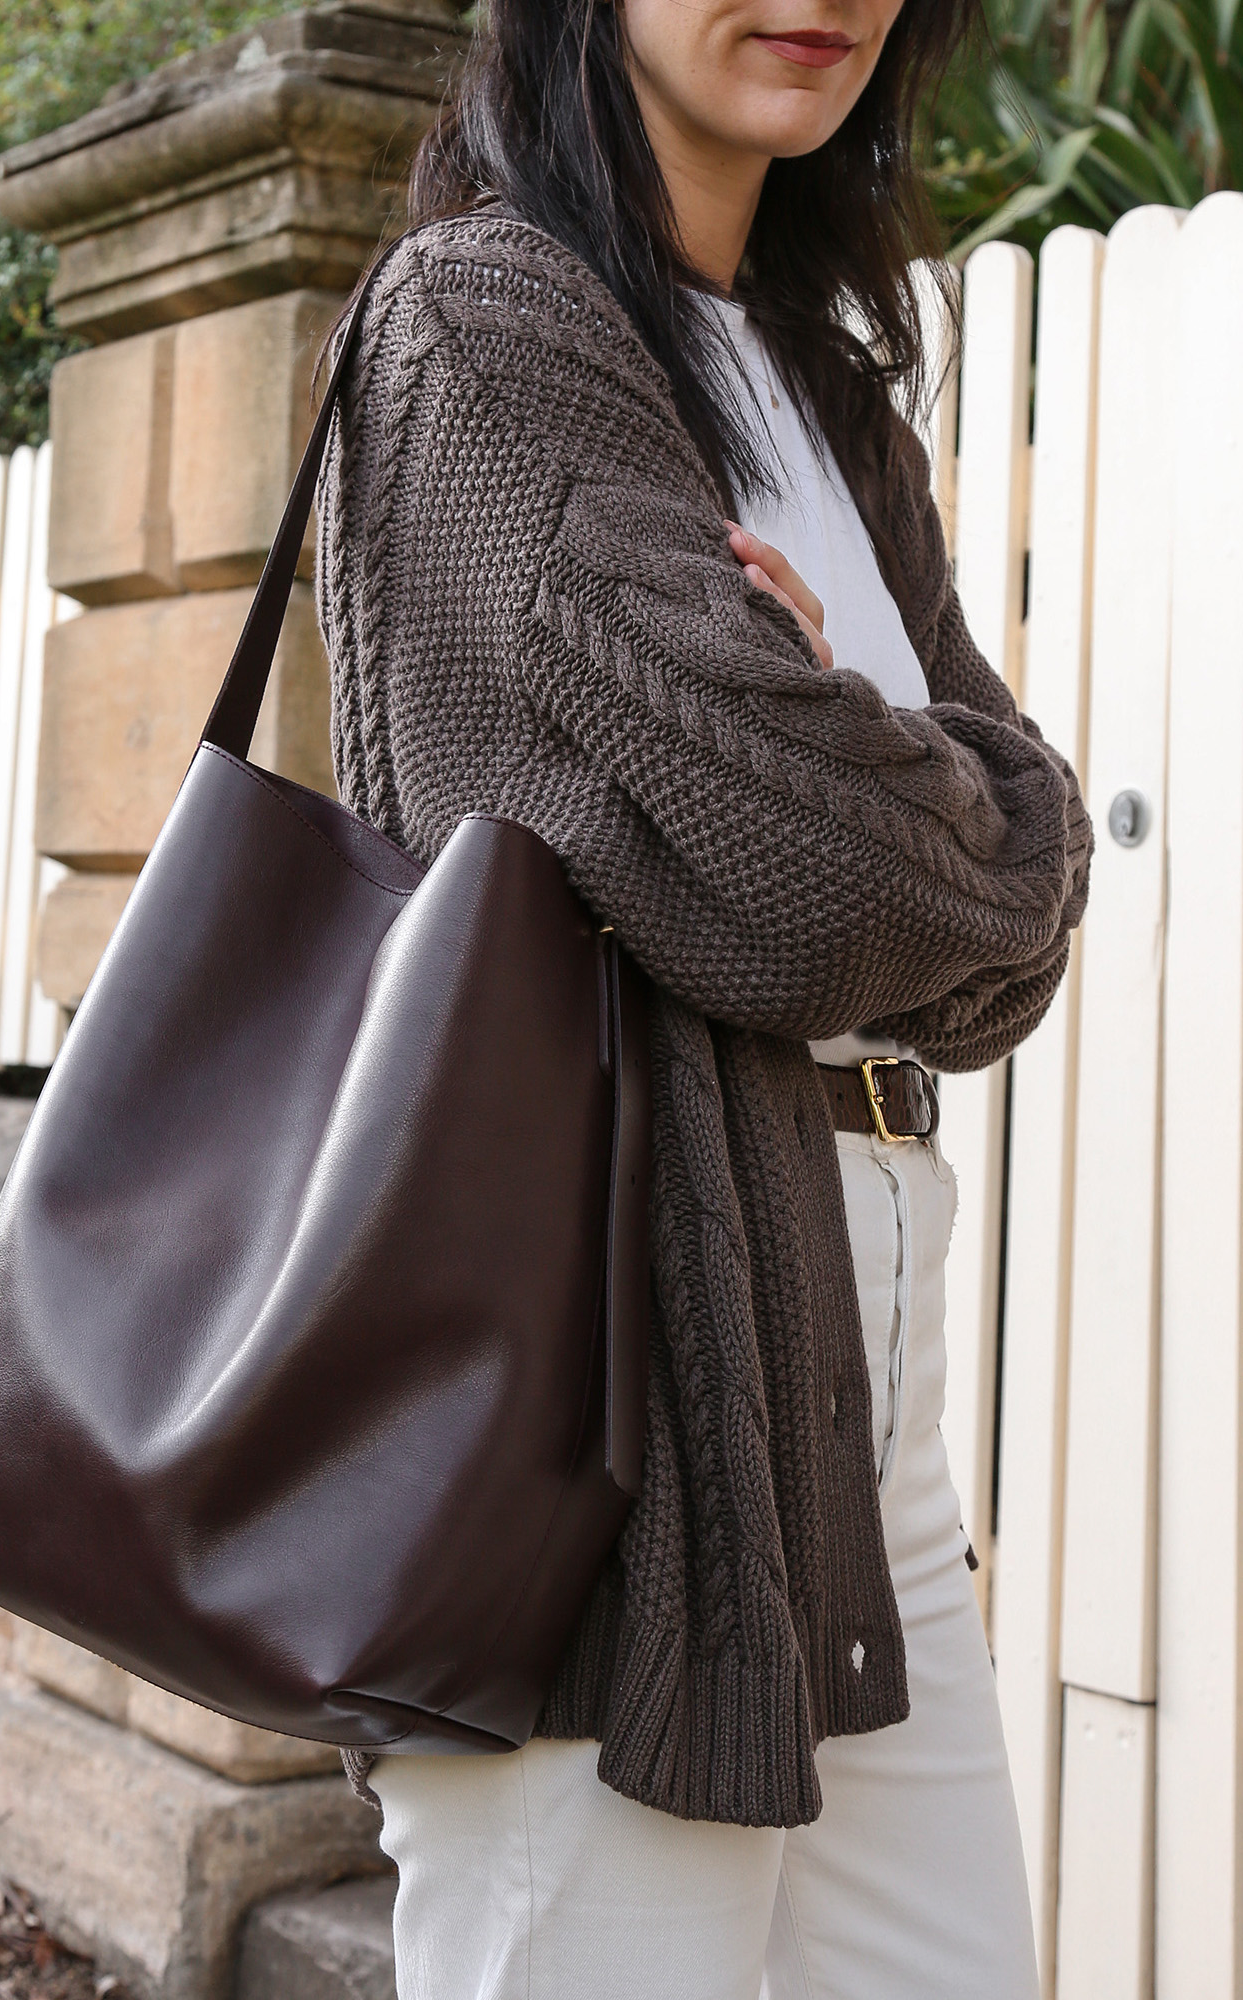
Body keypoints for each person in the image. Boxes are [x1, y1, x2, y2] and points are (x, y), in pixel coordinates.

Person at [314, 3, 1092, 1995]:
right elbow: (825, 897)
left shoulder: (825, 398)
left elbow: (1001, 928)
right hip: (616, 1391)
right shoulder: (487, 322)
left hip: (857, 1369)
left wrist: (860, 766)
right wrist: (923, 802)